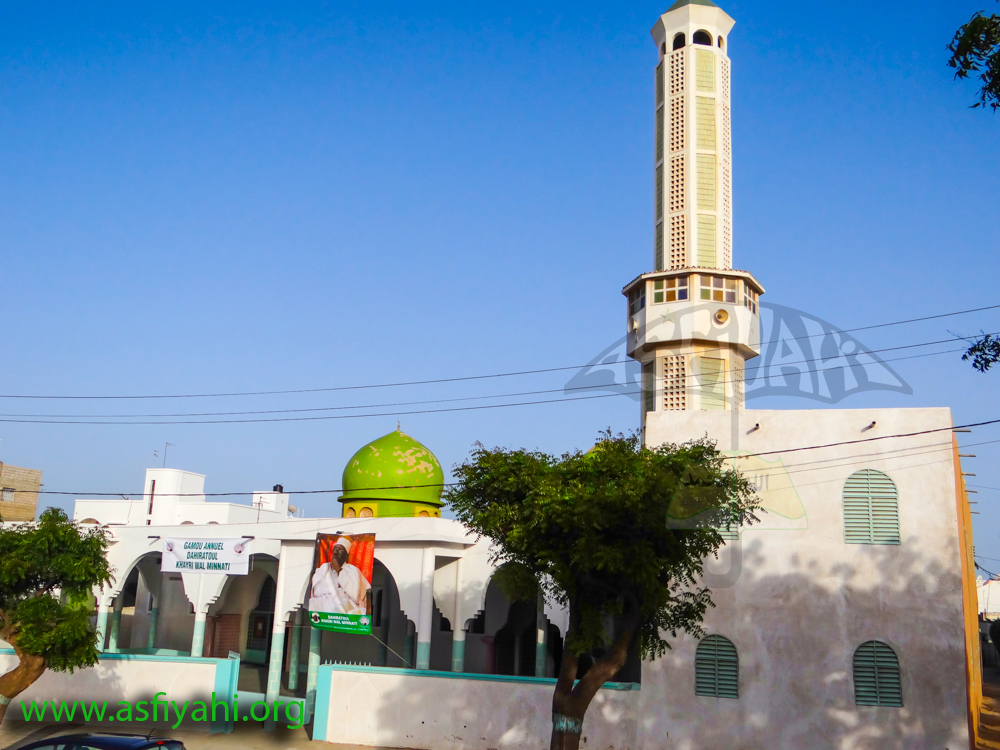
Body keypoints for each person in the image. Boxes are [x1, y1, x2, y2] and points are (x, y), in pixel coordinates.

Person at [308, 536, 370, 615]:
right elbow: (316, 590)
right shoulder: (324, 567)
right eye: (335, 550)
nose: (336, 553)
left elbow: (355, 595)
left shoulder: (352, 569)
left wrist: (339, 570)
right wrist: (337, 590)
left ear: (346, 556)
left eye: (340, 551)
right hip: (324, 602)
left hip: (344, 603)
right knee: (312, 604)